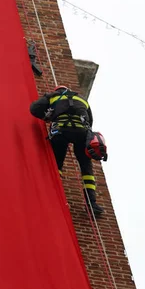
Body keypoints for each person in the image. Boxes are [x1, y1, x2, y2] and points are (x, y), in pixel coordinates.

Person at [30, 85, 104, 216]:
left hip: (61, 131)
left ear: (57, 90)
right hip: (81, 133)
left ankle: (53, 196)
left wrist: (47, 117)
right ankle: (92, 204)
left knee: (57, 163)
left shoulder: (52, 97)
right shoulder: (82, 99)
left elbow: (34, 109)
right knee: (86, 167)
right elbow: (90, 120)